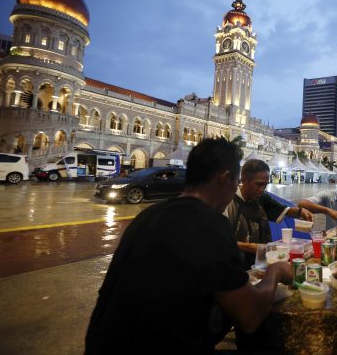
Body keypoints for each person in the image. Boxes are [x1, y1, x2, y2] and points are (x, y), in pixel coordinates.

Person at [85, 138, 293, 354]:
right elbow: (249, 316)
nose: (235, 190)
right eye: (236, 182)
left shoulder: (147, 216)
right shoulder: (211, 225)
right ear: (225, 178)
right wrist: (275, 271)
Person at [225, 159, 313, 270]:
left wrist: (300, 211)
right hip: (236, 266)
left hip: (261, 263)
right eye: (258, 184)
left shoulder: (262, 198)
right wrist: (252, 247)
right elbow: (222, 242)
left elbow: (283, 210)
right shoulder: (228, 202)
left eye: (265, 185)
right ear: (244, 179)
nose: (262, 189)